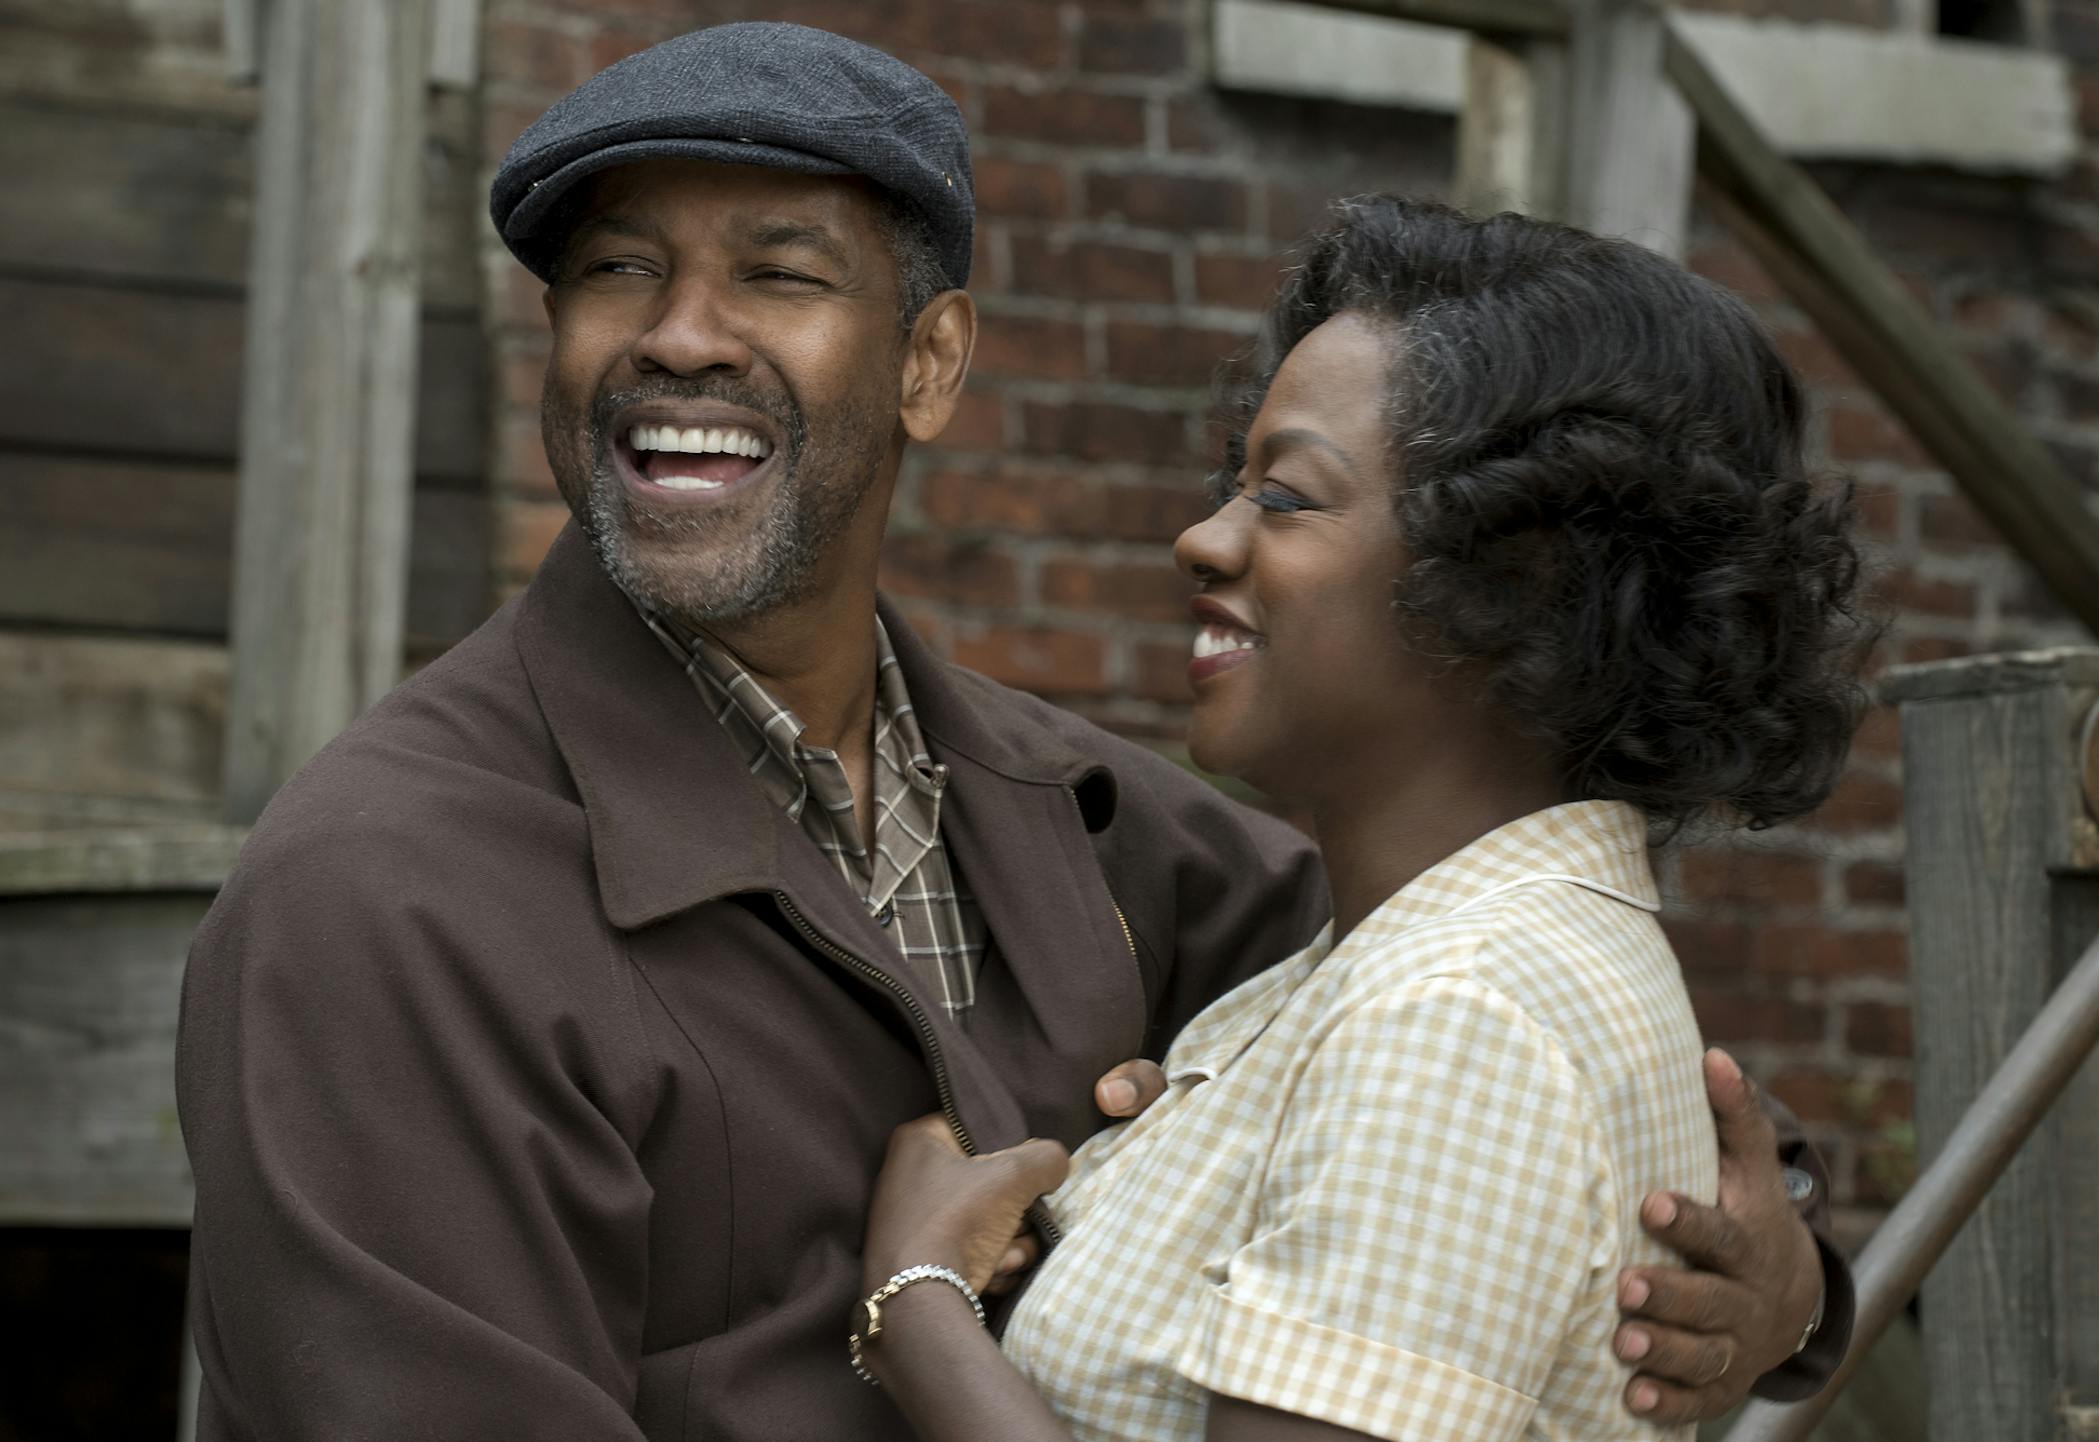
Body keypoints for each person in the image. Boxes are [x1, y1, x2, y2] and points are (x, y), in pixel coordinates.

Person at [176, 25, 1847, 1441]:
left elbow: (1488, 1038)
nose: (678, 332)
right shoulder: (385, 900)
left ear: (930, 362)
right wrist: (915, 1310)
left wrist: (1787, 1272)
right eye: (617, 270)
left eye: (778, 270)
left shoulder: (1096, 827)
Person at [851, 198, 1874, 1442]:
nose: (1203, 537)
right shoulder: (1374, 963)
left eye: (1283, 496)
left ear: (1513, 576)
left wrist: (916, 1302)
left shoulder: (1462, 1011)